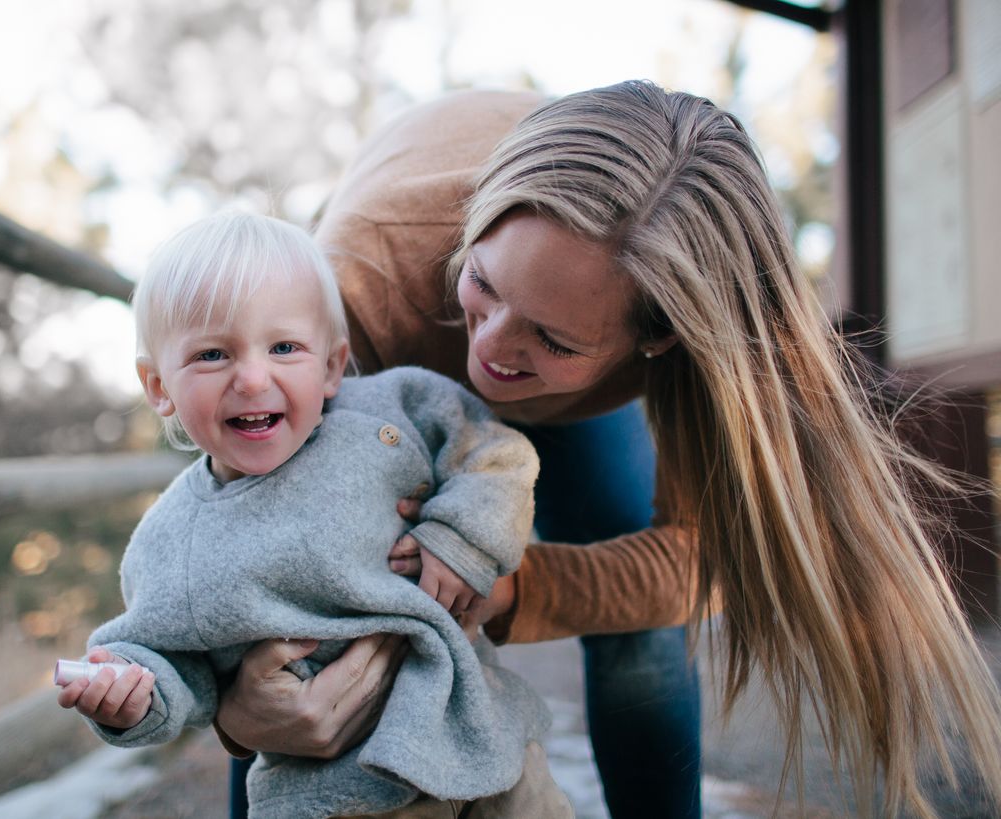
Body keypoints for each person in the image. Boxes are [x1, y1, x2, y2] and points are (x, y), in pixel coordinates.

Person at [216, 80, 1001, 819]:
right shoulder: (359, 275)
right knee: (294, 664)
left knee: (639, 619)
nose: (488, 351)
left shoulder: (704, 333)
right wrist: (239, 711)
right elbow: (257, 540)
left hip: (586, 393)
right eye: (487, 286)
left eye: (552, 337)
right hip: (398, 330)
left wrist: (522, 587)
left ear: (661, 340)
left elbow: (704, 558)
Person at [57, 210, 573, 819]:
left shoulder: (392, 410)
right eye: (212, 354)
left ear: (331, 366)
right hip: (347, 792)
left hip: (483, 732)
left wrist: (461, 535)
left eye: (284, 347)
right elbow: (172, 662)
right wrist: (134, 695)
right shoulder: (171, 544)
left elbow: (495, 453)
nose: (253, 378)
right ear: (158, 386)